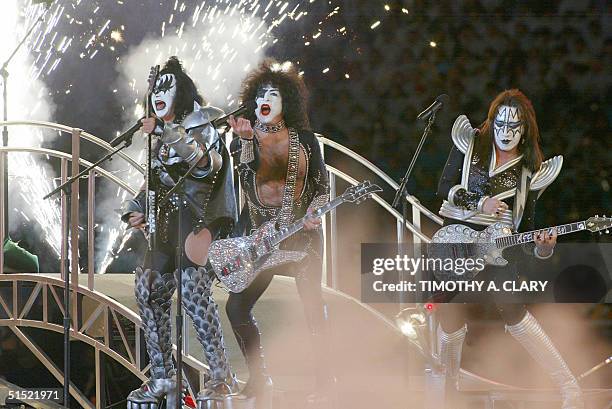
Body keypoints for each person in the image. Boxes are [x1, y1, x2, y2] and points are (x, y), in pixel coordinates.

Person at [435, 89, 583, 409]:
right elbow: (443, 187)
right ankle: (448, 389)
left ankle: (569, 387)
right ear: (492, 123)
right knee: (447, 310)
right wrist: (480, 202)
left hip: (498, 243)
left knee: (513, 309)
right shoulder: (470, 143)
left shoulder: (529, 170)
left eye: (513, 126)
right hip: (456, 236)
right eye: (500, 124)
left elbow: (525, 231)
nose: (505, 132)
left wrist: (544, 250)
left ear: (524, 129)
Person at [120, 56, 238, 409]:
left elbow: (205, 165)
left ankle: (220, 376)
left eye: (166, 88)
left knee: (193, 294)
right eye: (155, 88)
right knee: (147, 286)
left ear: (181, 93)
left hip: (197, 222)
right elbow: (154, 179)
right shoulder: (156, 136)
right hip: (165, 224)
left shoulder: (202, 122)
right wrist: (135, 207)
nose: (158, 94)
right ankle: (163, 376)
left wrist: (165, 132)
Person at [226, 59, 334, 407]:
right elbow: (246, 180)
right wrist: (244, 141)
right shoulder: (244, 137)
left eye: (272, 94)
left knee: (312, 308)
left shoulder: (305, 140)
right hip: (263, 240)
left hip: (303, 237)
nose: (265, 100)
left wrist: (317, 209)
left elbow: (322, 182)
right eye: (259, 95)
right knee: (236, 308)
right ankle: (259, 377)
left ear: (286, 100)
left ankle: (325, 380)